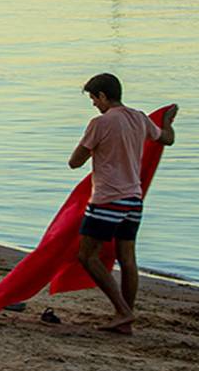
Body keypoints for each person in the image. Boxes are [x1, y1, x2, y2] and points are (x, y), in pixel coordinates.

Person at [68, 73, 178, 335]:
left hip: (108, 198)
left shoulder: (100, 123)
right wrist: (168, 121)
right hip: (133, 199)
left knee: (86, 255)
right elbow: (167, 139)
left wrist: (94, 150)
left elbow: (75, 161)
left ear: (103, 96)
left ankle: (123, 311)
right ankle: (124, 319)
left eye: (94, 98)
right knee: (127, 258)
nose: (94, 104)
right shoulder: (139, 117)